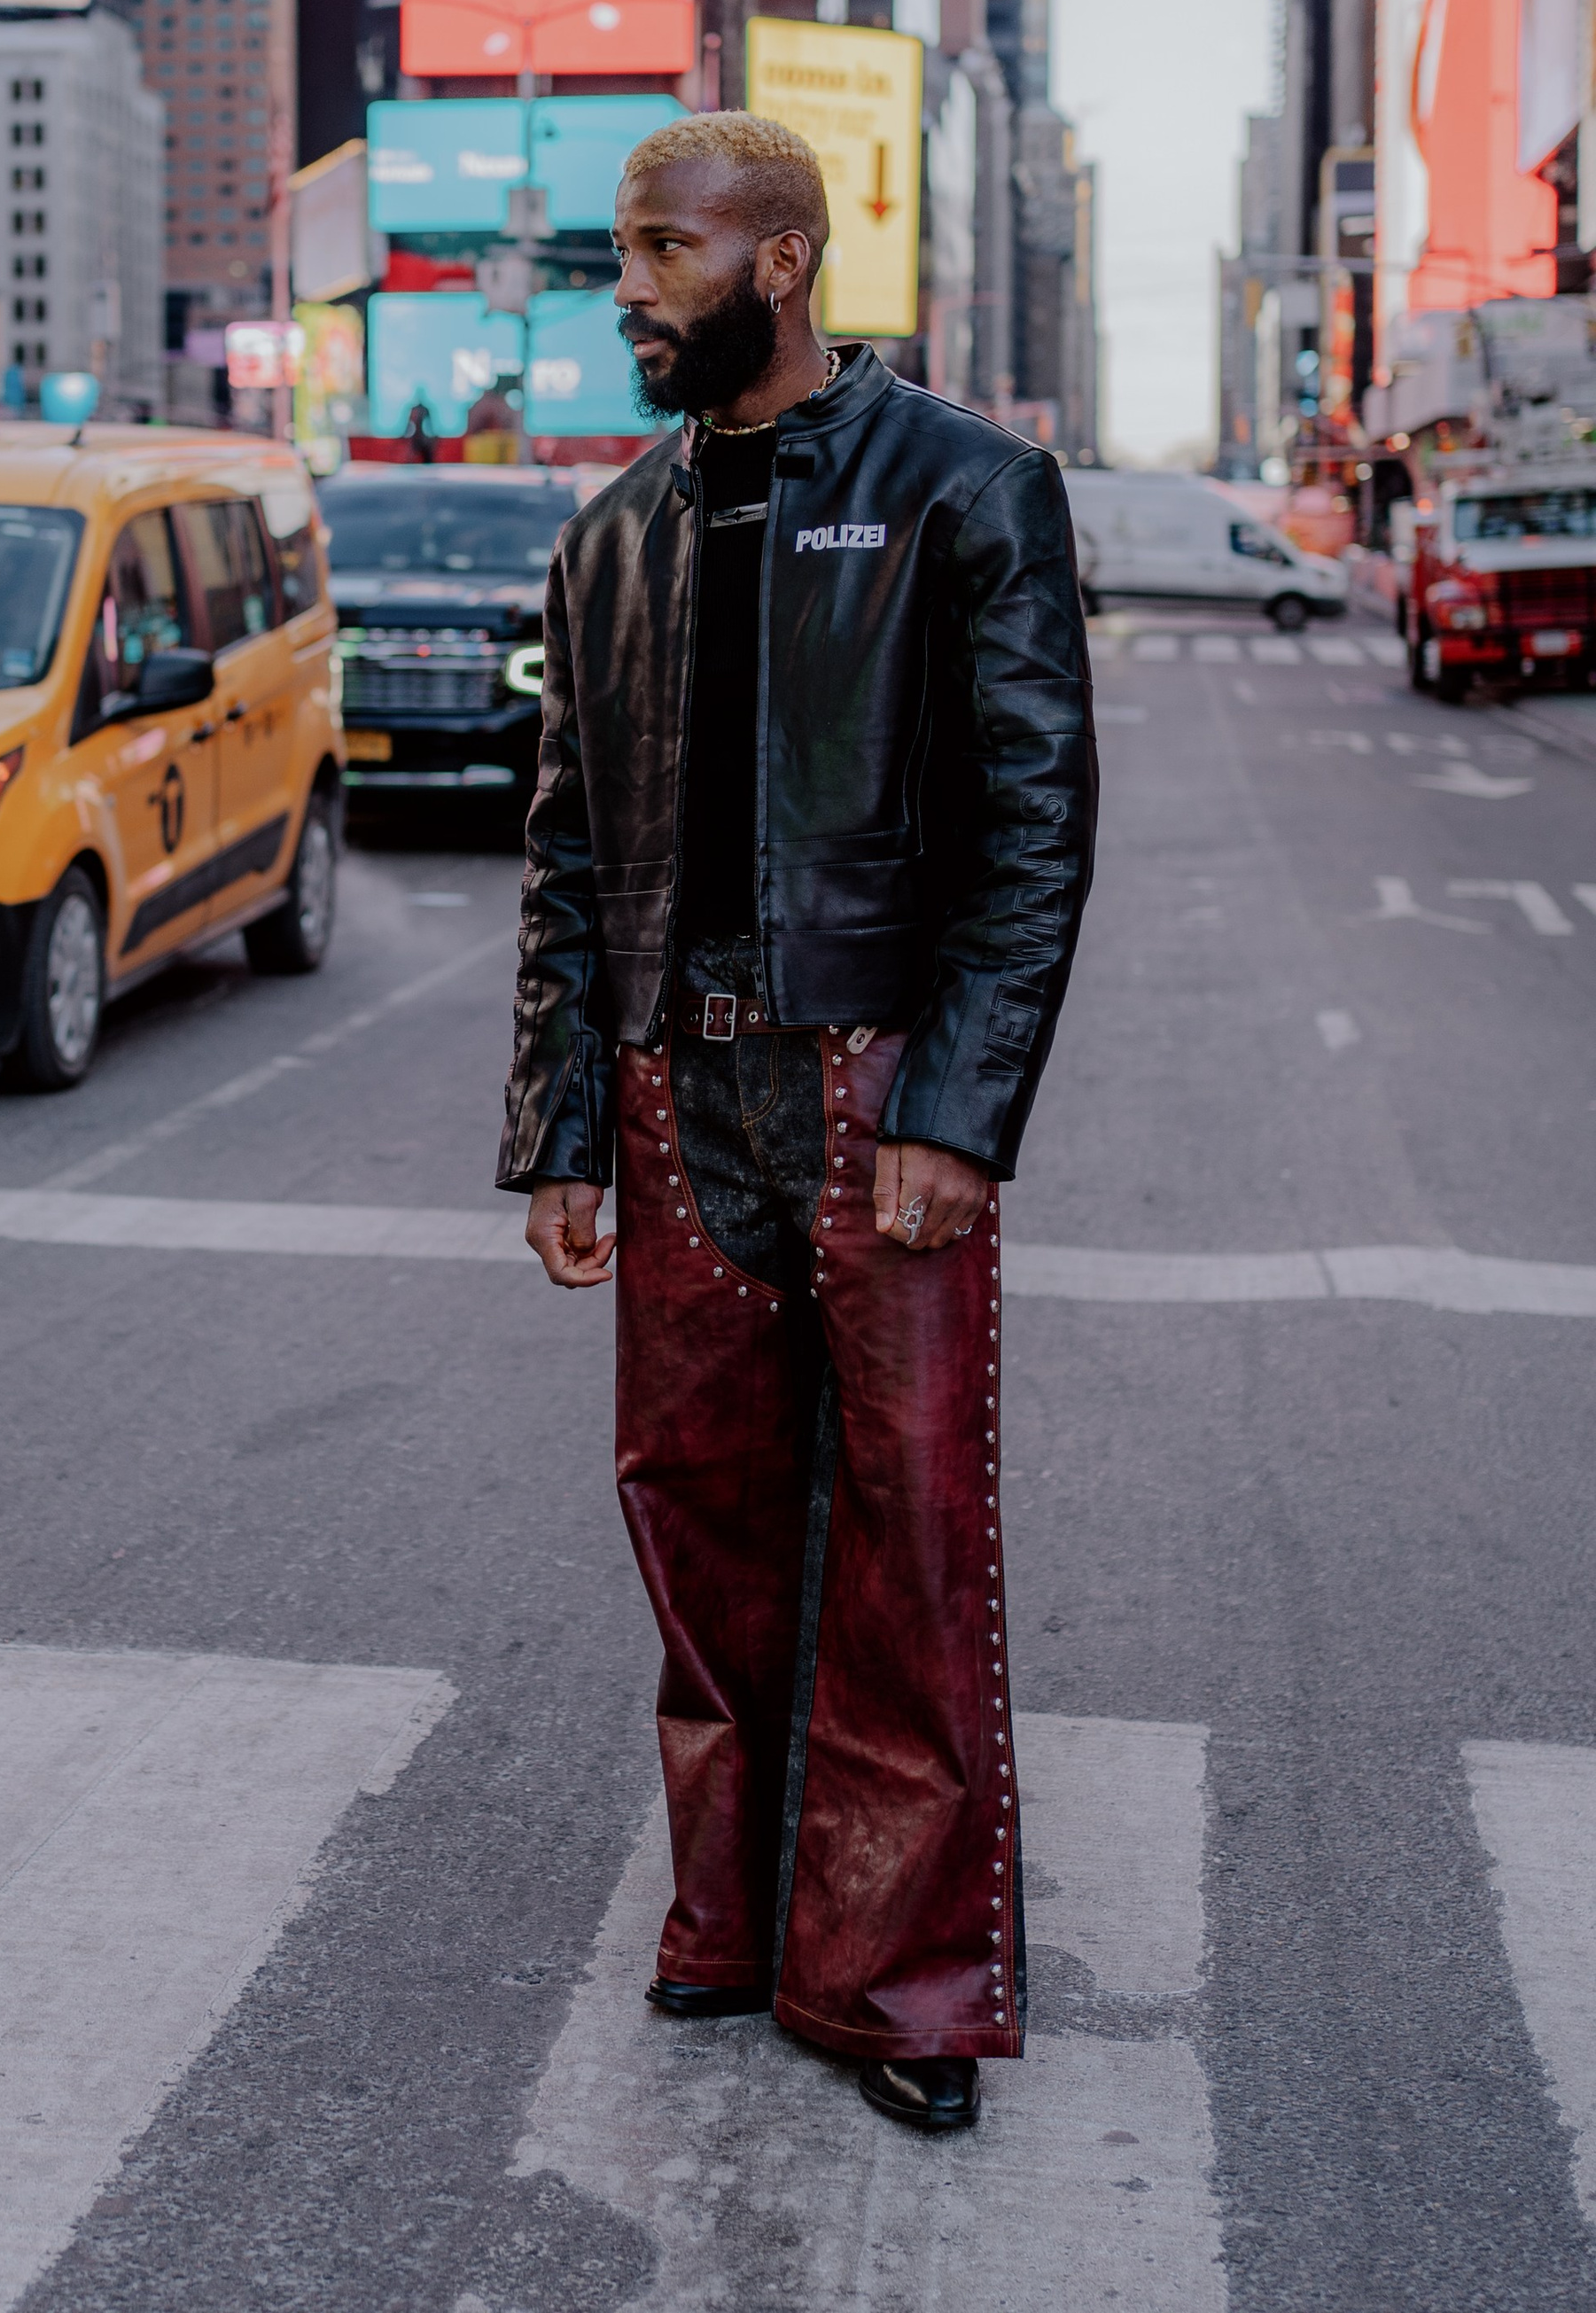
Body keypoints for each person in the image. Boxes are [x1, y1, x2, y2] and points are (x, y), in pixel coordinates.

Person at [498, 113, 1096, 2135]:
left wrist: (960, 1102)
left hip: (873, 1083)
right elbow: (567, 854)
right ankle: (733, 1921)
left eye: (660, 250)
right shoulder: (610, 537)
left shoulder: (964, 487)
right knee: (699, 1524)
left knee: (907, 1546)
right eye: (618, 254)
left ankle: (898, 1975)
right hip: (679, 1097)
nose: (626, 291)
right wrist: (564, 1127)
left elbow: (1031, 826)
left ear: (778, 260)